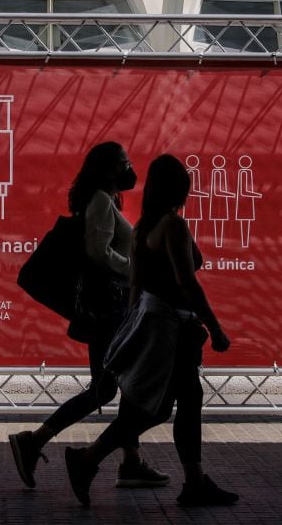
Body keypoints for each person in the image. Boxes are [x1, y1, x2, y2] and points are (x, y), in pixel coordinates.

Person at [64, 154, 237, 508]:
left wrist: (132, 332)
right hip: (174, 332)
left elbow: (135, 287)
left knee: (166, 405)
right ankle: (92, 460)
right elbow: (188, 283)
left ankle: (189, 479)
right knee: (178, 402)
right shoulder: (173, 226)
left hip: (152, 327)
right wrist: (215, 327)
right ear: (180, 189)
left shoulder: (142, 229)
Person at [9, 141, 168, 490]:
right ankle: (34, 441)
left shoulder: (105, 200)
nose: (130, 170)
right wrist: (134, 270)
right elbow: (98, 253)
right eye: (124, 164)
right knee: (105, 389)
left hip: (113, 311)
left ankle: (130, 461)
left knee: (118, 386)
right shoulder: (100, 199)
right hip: (107, 313)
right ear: (108, 168)